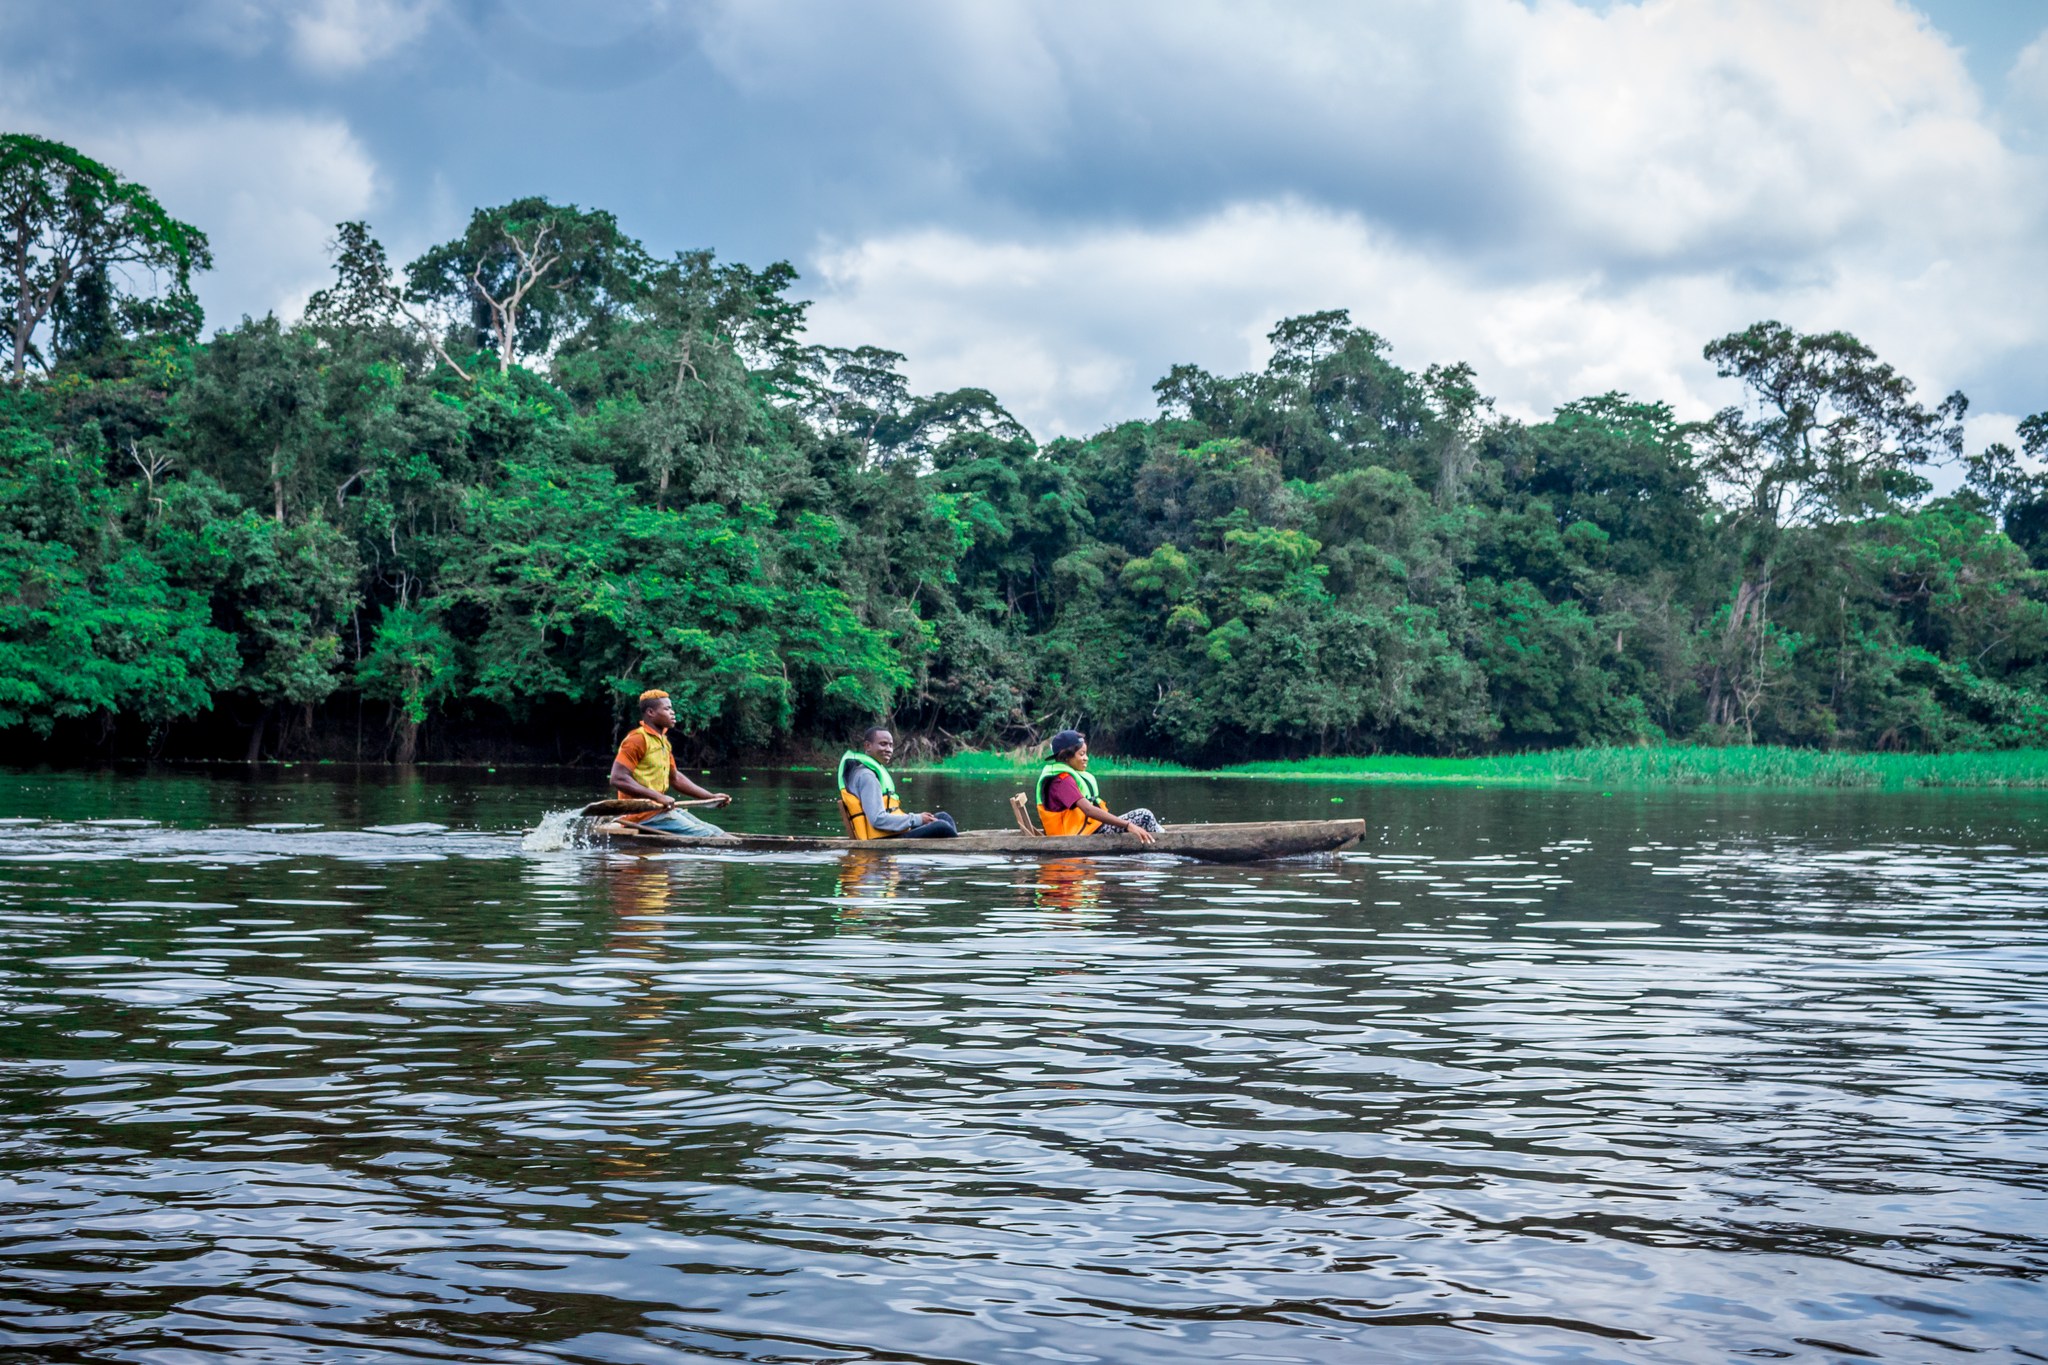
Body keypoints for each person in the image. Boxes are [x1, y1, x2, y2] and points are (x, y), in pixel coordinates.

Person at [608, 690, 733, 838]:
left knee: (717, 832)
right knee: (708, 836)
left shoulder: (663, 742)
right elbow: (618, 778)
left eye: (671, 709)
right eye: (667, 709)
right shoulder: (637, 739)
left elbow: (675, 778)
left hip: (660, 811)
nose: (673, 713)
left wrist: (710, 797)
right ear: (651, 712)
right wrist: (658, 797)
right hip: (640, 815)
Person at [1036, 730, 1159, 843]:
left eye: (1086, 754)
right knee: (1144, 816)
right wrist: (1128, 825)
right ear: (1066, 757)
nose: (1086, 758)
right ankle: (1161, 843)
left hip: (1090, 830)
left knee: (1141, 821)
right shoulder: (1062, 781)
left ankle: (1159, 837)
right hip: (1077, 838)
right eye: (1081, 754)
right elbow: (1088, 810)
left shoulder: (1066, 777)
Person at [838, 726, 957, 839]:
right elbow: (878, 820)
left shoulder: (867, 771)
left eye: (891, 745)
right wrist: (918, 819)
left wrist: (919, 819)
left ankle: (955, 844)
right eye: (883, 744)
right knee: (941, 826)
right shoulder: (867, 776)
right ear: (868, 746)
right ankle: (958, 847)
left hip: (889, 833)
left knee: (943, 817)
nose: (888, 749)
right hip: (881, 838)